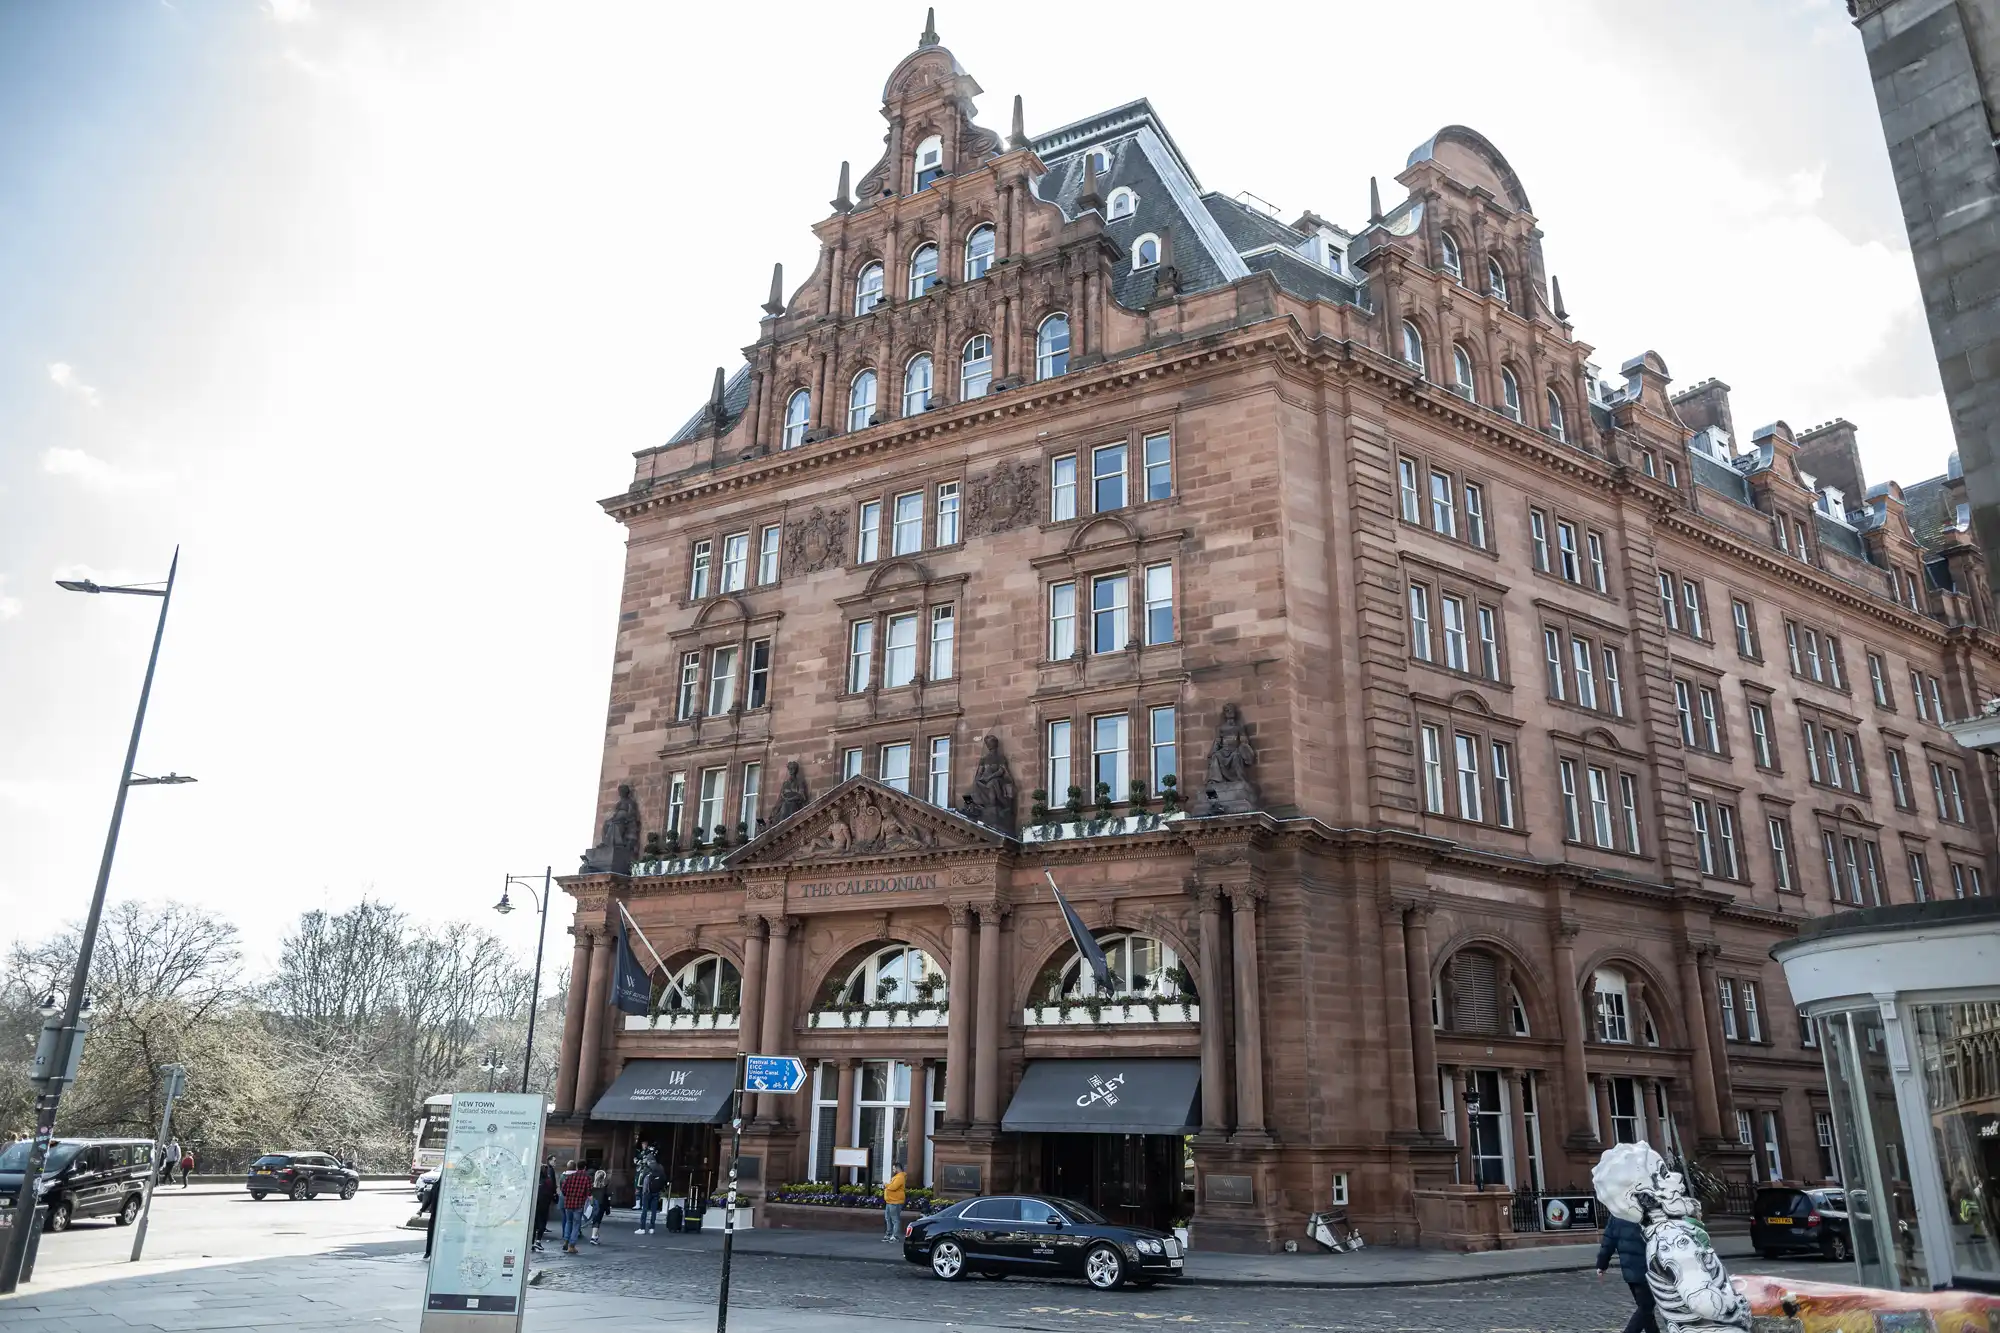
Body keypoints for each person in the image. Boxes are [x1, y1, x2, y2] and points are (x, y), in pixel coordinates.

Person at [1596, 1211, 1660, 1333]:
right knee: (1646, 1307)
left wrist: (1601, 1264)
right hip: (1648, 1269)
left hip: (1629, 1270)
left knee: (1646, 1309)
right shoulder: (1647, 1212)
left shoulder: (1617, 1213)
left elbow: (1608, 1241)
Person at [557, 1160, 593, 1255]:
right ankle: (572, 1246)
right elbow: (589, 1192)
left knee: (568, 1222)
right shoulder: (587, 1178)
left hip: (568, 1203)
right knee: (576, 1224)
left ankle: (566, 1240)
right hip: (579, 1204)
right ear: (585, 1167)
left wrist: (569, 1196)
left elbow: (563, 1190)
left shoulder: (570, 1177)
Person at [532, 1155, 557, 1253]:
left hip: (535, 1204)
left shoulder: (535, 1181)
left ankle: (532, 1242)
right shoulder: (548, 1182)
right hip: (544, 1204)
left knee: (534, 1223)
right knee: (542, 1222)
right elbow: (551, 1192)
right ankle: (538, 1241)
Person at [636, 1154, 663, 1235]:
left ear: (648, 1160)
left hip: (647, 1192)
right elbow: (664, 1178)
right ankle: (652, 1228)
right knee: (653, 1211)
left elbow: (642, 1179)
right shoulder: (660, 1167)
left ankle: (642, 1228)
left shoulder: (647, 1168)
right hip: (656, 1191)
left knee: (644, 1210)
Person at [882, 1161, 907, 1242]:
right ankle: (889, 1234)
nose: (893, 1170)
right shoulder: (897, 1177)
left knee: (895, 1219)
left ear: (897, 1168)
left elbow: (893, 1187)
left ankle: (895, 1236)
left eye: (893, 1169)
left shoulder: (900, 1177)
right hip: (890, 1201)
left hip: (895, 1202)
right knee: (888, 1218)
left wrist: (886, 1185)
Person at [587, 1168, 610, 1246]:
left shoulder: (592, 1187)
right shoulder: (604, 1188)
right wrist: (608, 1209)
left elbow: (589, 1195)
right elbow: (606, 1200)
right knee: (597, 1221)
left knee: (595, 1220)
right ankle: (593, 1237)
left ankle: (595, 1236)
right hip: (601, 1206)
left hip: (594, 1205)